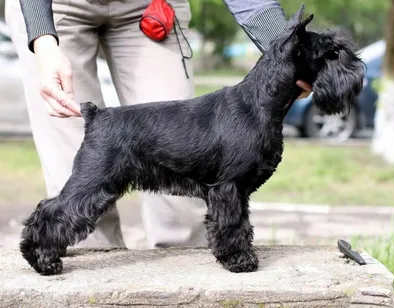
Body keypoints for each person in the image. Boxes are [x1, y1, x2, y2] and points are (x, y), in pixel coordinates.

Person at [5, 0, 312, 249]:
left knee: (184, 192)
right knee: (83, 201)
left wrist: (285, 51)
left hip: (150, 8)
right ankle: (53, 252)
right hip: (55, 9)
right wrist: (43, 42)